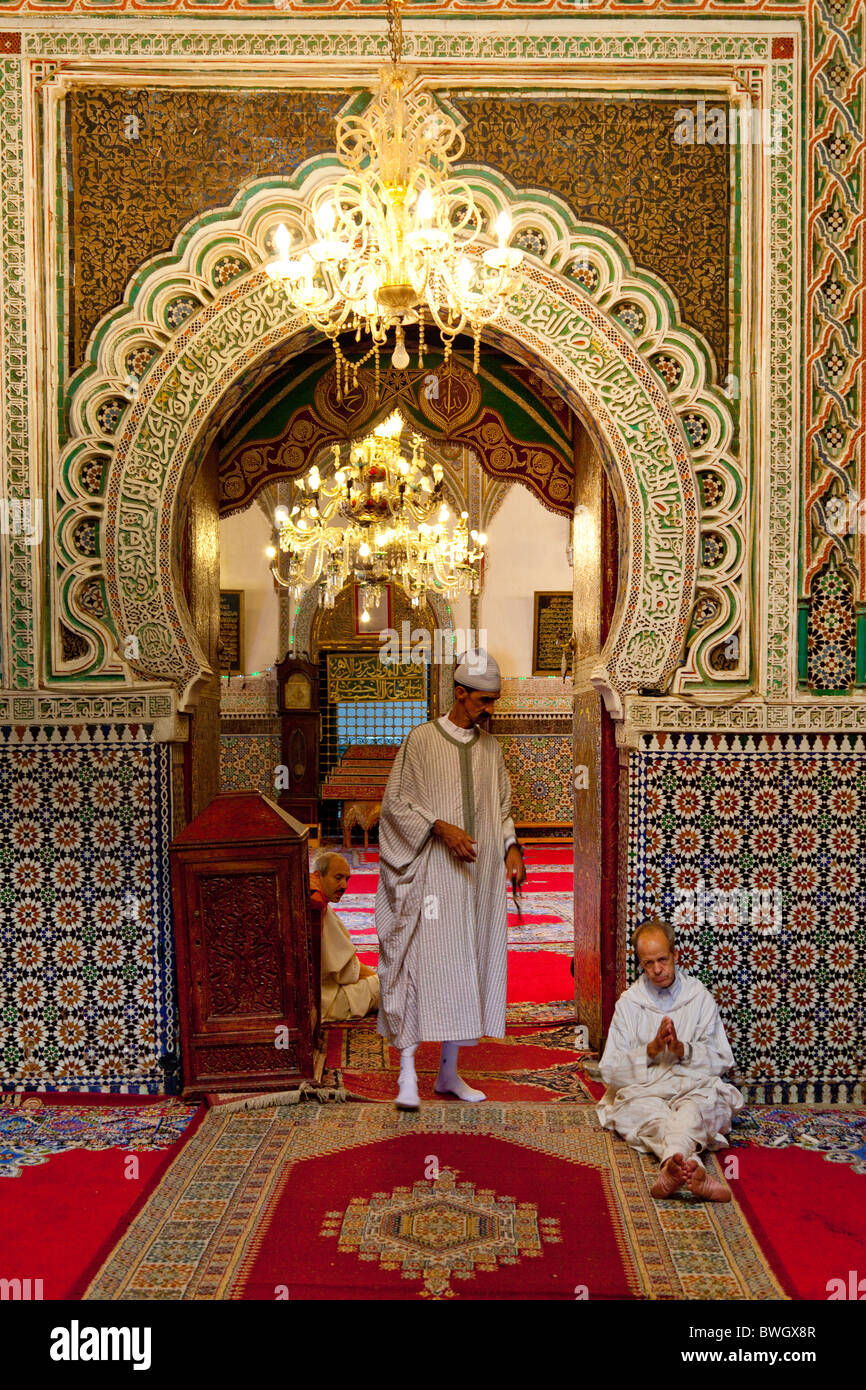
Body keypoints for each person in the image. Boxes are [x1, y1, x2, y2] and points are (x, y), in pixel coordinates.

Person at [375, 648, 526, 1109]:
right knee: (419, 962)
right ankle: (406, 1073)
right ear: (459, 694)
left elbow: (500, 810)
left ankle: (448, 1075)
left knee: (467, 966)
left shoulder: (491, 749)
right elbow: (395, 805)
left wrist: (512, 848)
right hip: (430, 875)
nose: (489, 709)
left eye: (494, 700)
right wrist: (440, 828)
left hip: (477, 879)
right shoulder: (420, 741)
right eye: (483, 701)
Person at [596, 918, 743, 1201]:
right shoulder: (630, 1003)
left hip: (692, 1086)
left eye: (662, 960)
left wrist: (682, 1050)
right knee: (648, 1115)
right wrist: (650, 1050)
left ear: (675, 955)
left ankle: (670, 1167)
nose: (657, 970)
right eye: (648, 963)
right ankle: (692, 1167)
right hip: (645, 1091)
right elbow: (611, 1073)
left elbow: (722, 1059)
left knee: (693, 1111)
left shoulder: (698, 998)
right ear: (640, 963)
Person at [311, 851, 380, 1023]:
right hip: (324, 1001)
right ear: (318, 876)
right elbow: (347, 972)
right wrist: (376, 979)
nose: (344, 885)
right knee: (386, 987)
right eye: (338, 877)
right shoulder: (317, 907)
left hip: (313, 995)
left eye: (347, 879)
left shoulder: (313, 897)